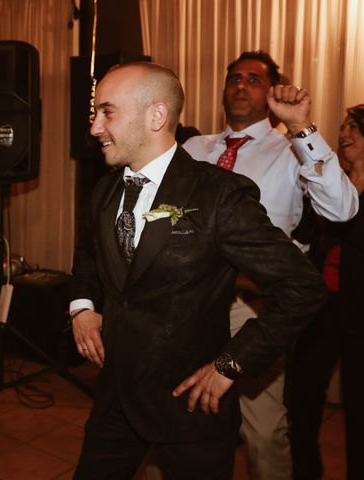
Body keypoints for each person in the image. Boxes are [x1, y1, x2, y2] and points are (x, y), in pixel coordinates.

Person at [69, 61, 326, 479]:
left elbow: (302, 287)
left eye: (107, 112)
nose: (96, 127)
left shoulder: (218, 194)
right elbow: (88, 255)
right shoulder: (104, 189)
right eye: (96, 114)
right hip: (116, 395)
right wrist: (82, 307)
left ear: (156, 115)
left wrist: (231, 363)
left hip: (191, 402)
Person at [182, 51, 359, 479]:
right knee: (178, 422)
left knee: (262, 433)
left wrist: (300, 126)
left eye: (254, 80)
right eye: (234, 78)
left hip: (252, 308)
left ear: (270, 93)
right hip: (186, 304)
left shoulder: (293, 150)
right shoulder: (192, 148)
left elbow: (341, 209)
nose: (241, 85)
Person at [289, 104, 364, 480]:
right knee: (300, 398)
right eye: (342, 127)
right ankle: (306, 473)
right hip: (319, 310)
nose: (344, 134)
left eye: (354, 128)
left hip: (360, 314)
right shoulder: (328, 184)